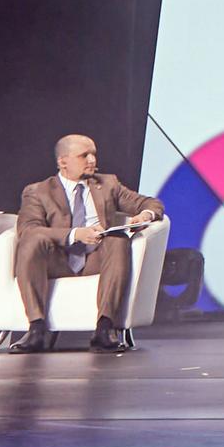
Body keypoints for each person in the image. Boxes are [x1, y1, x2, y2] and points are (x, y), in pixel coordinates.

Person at [12, 134, 163, 353]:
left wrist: (145, 215)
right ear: (63, 161)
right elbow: (28, 229)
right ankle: (36, 328)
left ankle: (105, 328)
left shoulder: (108, 184)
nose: (92, 160)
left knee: (117, 240)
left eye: (93, 154)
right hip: (58, 260)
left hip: (96, 258)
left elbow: (150, 203)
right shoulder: (38, 191)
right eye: (84, 156)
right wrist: (75, 234)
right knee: (31, 241)